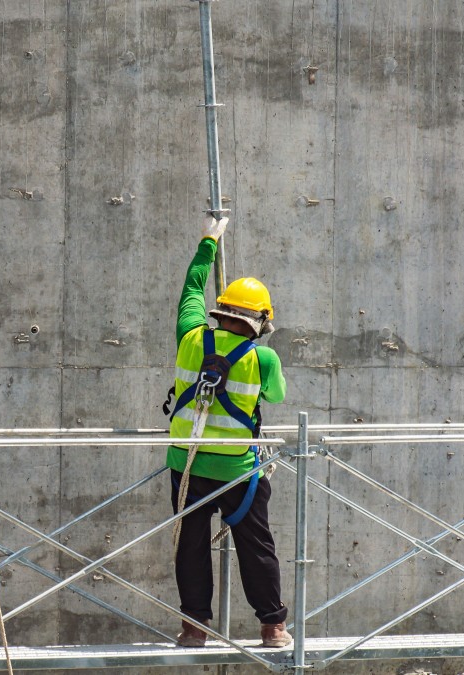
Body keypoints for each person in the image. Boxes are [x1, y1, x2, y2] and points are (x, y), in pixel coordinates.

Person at [166, 216, 292, 649]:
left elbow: (190, 289)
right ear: (261, 320)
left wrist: (207, 242)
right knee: (256, 545)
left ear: (220, 311)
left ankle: (194, 628)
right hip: (238, 470)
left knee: (191, 547)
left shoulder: (189, 336)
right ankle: (272, 627)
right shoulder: (264, 359)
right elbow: (274, 396)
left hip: (187, 465)